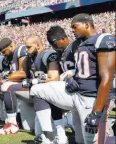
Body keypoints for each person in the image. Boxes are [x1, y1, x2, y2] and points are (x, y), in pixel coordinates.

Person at [30, 13, 116, 144]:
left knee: (93, 140)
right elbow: (85, 71)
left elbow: (107, 78)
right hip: (77, 94)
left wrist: (97, 112)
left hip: (92, 98)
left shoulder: (103, 39)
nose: (72, 31)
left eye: (75, 27)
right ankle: (50, 137)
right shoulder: (80, 44)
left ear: (87, 24)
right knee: (37, 90)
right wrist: (72, 78)